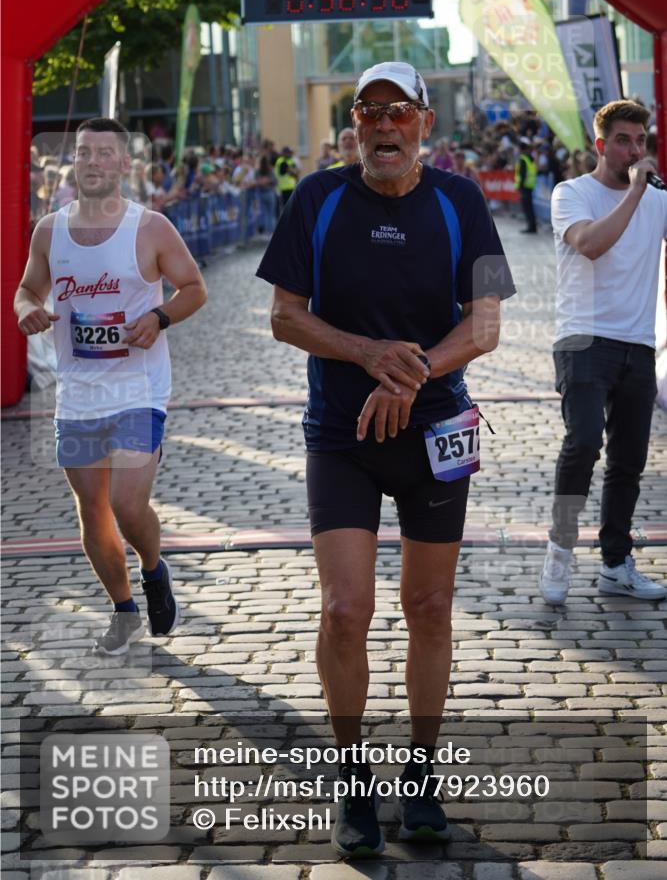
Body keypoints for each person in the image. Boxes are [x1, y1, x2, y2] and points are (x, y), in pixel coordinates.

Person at [256, 61, 515, 858]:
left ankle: (424, 773)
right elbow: (285, 318)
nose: (383, 127)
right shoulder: (317, 198)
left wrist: (411, 374)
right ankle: (352, 776)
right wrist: (369, 354)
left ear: (424, 125)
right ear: (355, 127)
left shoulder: (462, 201)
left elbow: (484, 328)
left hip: (437, 429)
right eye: (369, 113)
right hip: (341, 431)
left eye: (397, 113)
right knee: (344, 611)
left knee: (430, 609)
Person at [14, 117, 208, 655]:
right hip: (77, 396)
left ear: (125, 164)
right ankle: (123, 611)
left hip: (138, 392)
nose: (93, 162)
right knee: (92, 510)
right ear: (74, 161)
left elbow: (194, 288)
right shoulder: (51, 230)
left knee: (126, 502)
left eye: (105, 154)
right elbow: (28, 288)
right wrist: (28, 310)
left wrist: (160, 319)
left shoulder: (150, 229)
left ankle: (153, 567)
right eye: (84, 153)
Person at [539, 100, 667, 605]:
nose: (635, 150)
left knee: (629, 460)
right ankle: (560, 547)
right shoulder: (571, 193)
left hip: (637, 342)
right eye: (623, 141)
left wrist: (646, 193)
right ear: (600, 145)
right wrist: (637, 189)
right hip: (583, 337)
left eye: (641, 141)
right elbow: (592, 244)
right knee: (584, 441)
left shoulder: (659, 200)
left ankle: (616, 562)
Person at [514, 138, 537, 233]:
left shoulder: (522, 159)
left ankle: (531, 227)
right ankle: (532, 226)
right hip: (530, 186)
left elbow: (522, 174)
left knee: (527, 208)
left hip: (524, 187)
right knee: (530, 208)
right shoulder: (530, 158)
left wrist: (520, 186)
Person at [274, 145, 299, 209]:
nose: (290, 154)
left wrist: (293, 172)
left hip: (291, 187)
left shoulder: (291, 160)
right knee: (286, 207)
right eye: (288, 152)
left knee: (291, 207)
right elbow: (291, 172)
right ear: (284, 153)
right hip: (283, 189)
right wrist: (292, 171)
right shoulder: (281, 161)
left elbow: (296, 173)